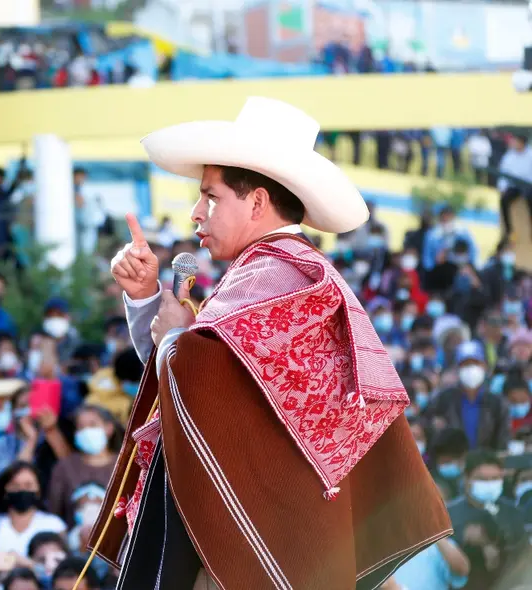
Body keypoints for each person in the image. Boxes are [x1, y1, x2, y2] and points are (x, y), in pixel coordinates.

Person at [97, 97, 450, 588]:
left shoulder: (278, 275)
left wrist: (176, 336)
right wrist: (146, 304)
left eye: (211, 196)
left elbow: (194, 373)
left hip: (250, 544)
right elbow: (201, 395)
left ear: (258, 202)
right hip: (260, 531)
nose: (196, 212)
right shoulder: (280, 271)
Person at [446, 451, 526, 588]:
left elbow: (522, 556)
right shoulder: (449, 514)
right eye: (482, 479)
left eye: (495, 478)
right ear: (467, 479)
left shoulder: (513, 513)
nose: (489, 484)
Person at [426, 341, 511, 451]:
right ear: (458, 368)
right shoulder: (444, 399)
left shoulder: (497, 403)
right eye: (465, 364)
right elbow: (429, 425)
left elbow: (502, 441)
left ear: (484, 366)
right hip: (454, 461)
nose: (471, 368)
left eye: (475, 363)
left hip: (486, 463)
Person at [46, 405, 118, 525]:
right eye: (81, 427)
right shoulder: (64, 467)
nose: (86, 431)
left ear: (109, 428)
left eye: (92, 425)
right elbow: (54, 513)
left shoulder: (124, 466)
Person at [0, 462, 66, 556]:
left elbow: (60, 562)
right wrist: (13, 560)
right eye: (15, 485)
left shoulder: (54, 525)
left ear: (39, 490)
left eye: (28, 485)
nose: (22, 490)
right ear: (5, 490)